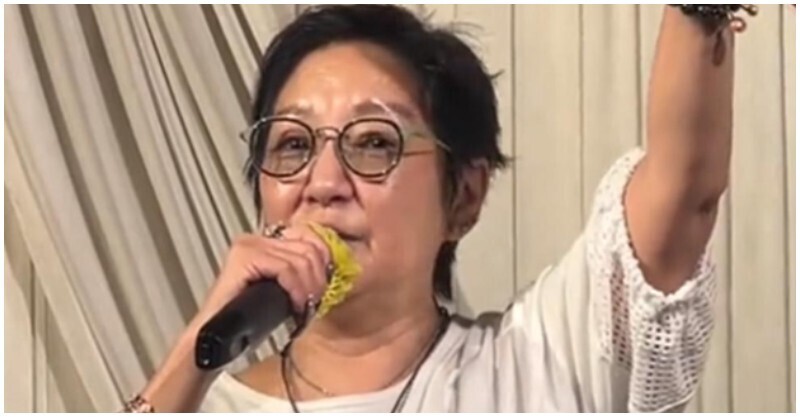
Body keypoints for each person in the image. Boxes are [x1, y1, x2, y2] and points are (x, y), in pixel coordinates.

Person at [124, 4, 761, 412]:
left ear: (465, 197)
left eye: (373, 142)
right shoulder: (209, 403)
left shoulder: (539, 363)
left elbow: (684, 190)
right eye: (292, 144)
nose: (323, 182)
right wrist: (194, 352)